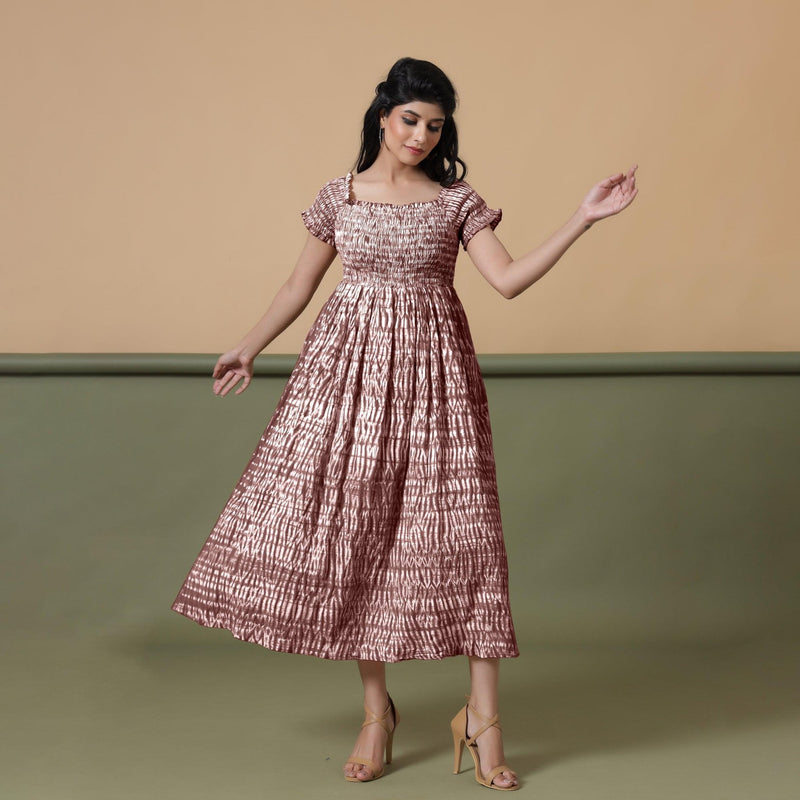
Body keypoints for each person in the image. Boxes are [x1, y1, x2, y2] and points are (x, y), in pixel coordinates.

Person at [171, 56, 637, 791]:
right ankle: (375, 713)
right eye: (411, 120)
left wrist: (584, 217)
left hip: (438, 384)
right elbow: (300, 282)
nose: (421, 136)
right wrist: (249, 345)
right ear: (382, 117)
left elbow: (508, 282)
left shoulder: (457, 201)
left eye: (436, 125)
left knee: (464, 536)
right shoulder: (341, 197)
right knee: (360, 533)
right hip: (348, 379)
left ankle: (484, 719)